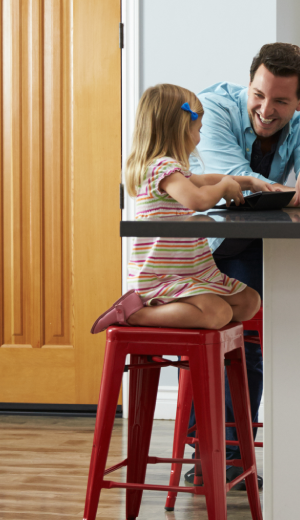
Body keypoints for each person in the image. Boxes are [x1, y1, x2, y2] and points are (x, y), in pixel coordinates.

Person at [193, 43, 300, 489]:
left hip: (247, 240)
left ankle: (234, 453)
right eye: (258, 94)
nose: (266, 110)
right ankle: (209, 452)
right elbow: (236, 187)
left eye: (281, 101)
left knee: (248, 339)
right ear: (248, 83)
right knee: (214, 339)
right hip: (194, 244)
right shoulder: (213, 109)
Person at [91, 83, 263, 333]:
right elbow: (198, 200)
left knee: (250, 302)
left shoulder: (173, 170)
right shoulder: (160, 168)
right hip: (163, 276)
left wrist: (246, 181)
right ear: (181, 129)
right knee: (219, 312)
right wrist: (226, 185)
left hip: (190, 271)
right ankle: (135, 314)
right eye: (198, 130)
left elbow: (204, 181)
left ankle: (194, 314)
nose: (199, 138)